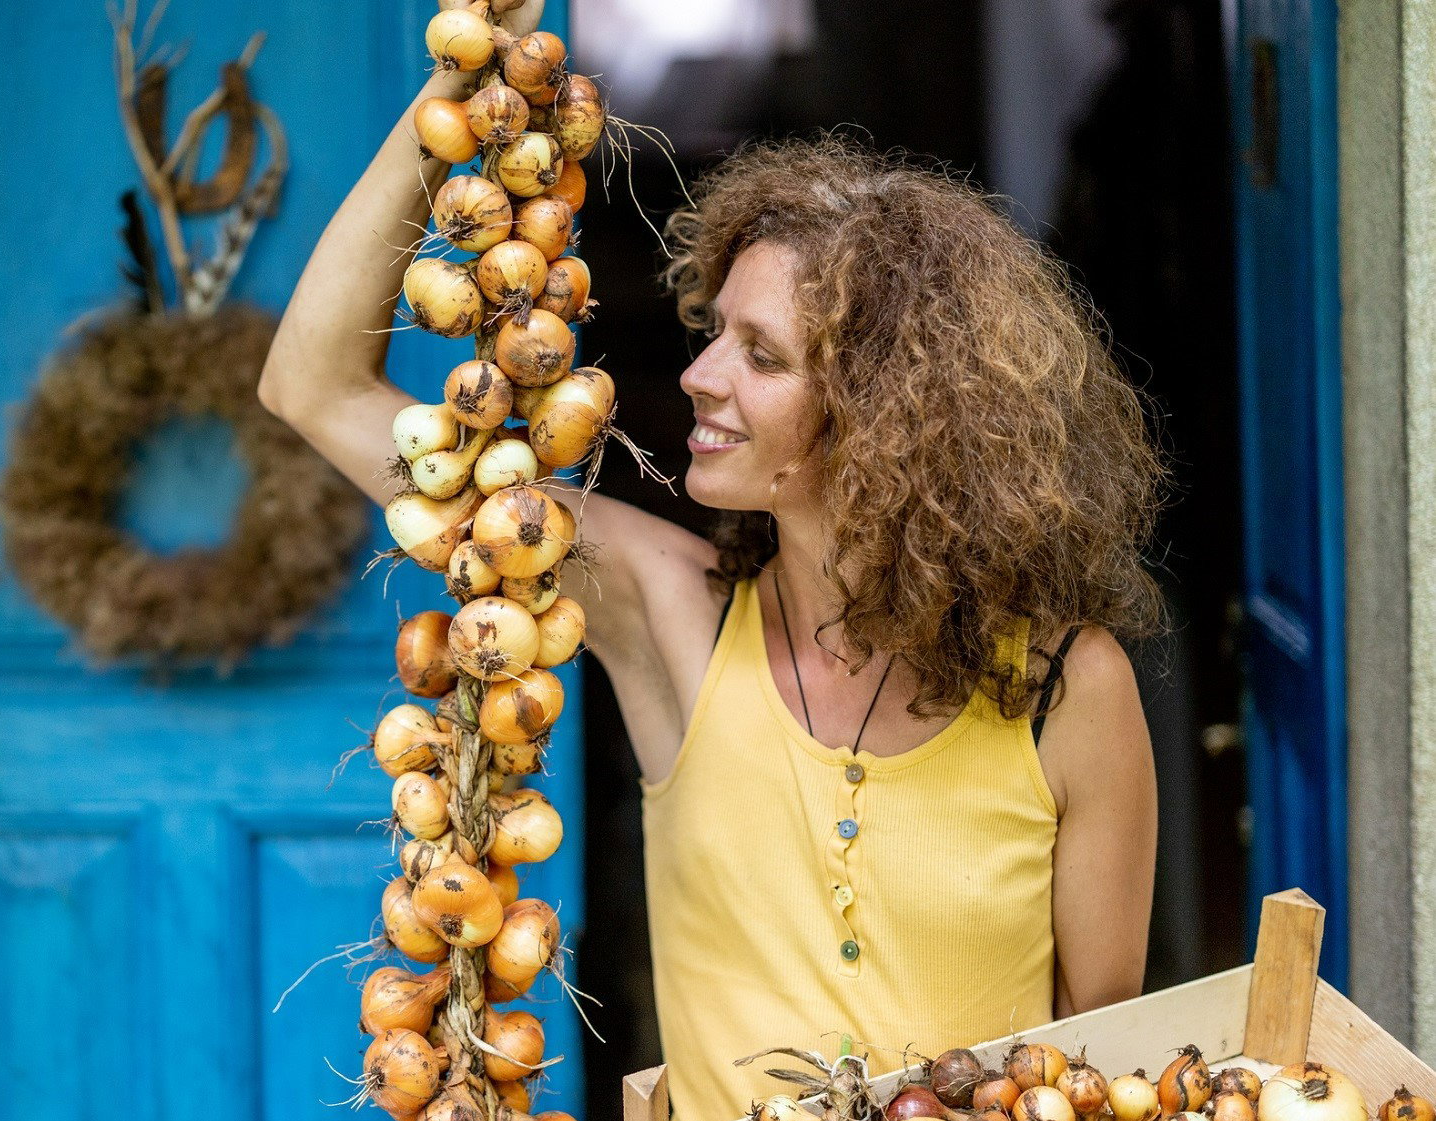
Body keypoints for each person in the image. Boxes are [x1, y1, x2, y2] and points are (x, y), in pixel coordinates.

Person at [258, 6, 1159, 1117]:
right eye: (715, 330)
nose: (696, 374)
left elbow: (1093, 1067)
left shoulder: (1066, 690)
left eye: (761, 355)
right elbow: (312, 386)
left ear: (889, 414)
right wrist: (458, 93)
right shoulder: (671, 615)